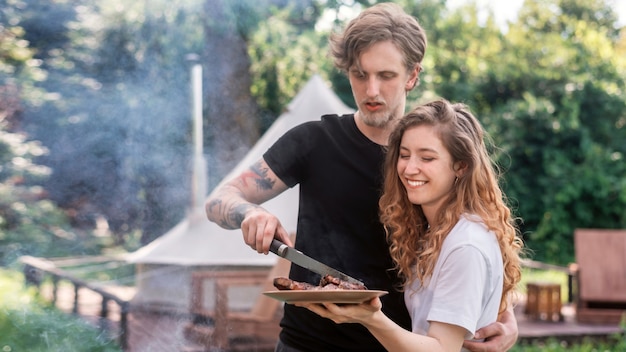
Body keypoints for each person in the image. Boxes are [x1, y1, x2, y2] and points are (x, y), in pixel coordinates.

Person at [205, 3, 518, 351]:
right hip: (307, 344)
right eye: (359, 74)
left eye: (386, 76)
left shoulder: (434, 156)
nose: (371, 91)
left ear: (412, 76)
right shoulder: (313, 141)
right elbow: (220, 199)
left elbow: (475, 240)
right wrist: (249, 212)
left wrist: (504, 314)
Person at [296, 99, 524, 352]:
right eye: (404, 155)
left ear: (461, 166)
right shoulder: (435, 233)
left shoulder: (465, 245)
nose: (409, 168)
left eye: (427, 158)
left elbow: (441, 349)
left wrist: (371, 318)